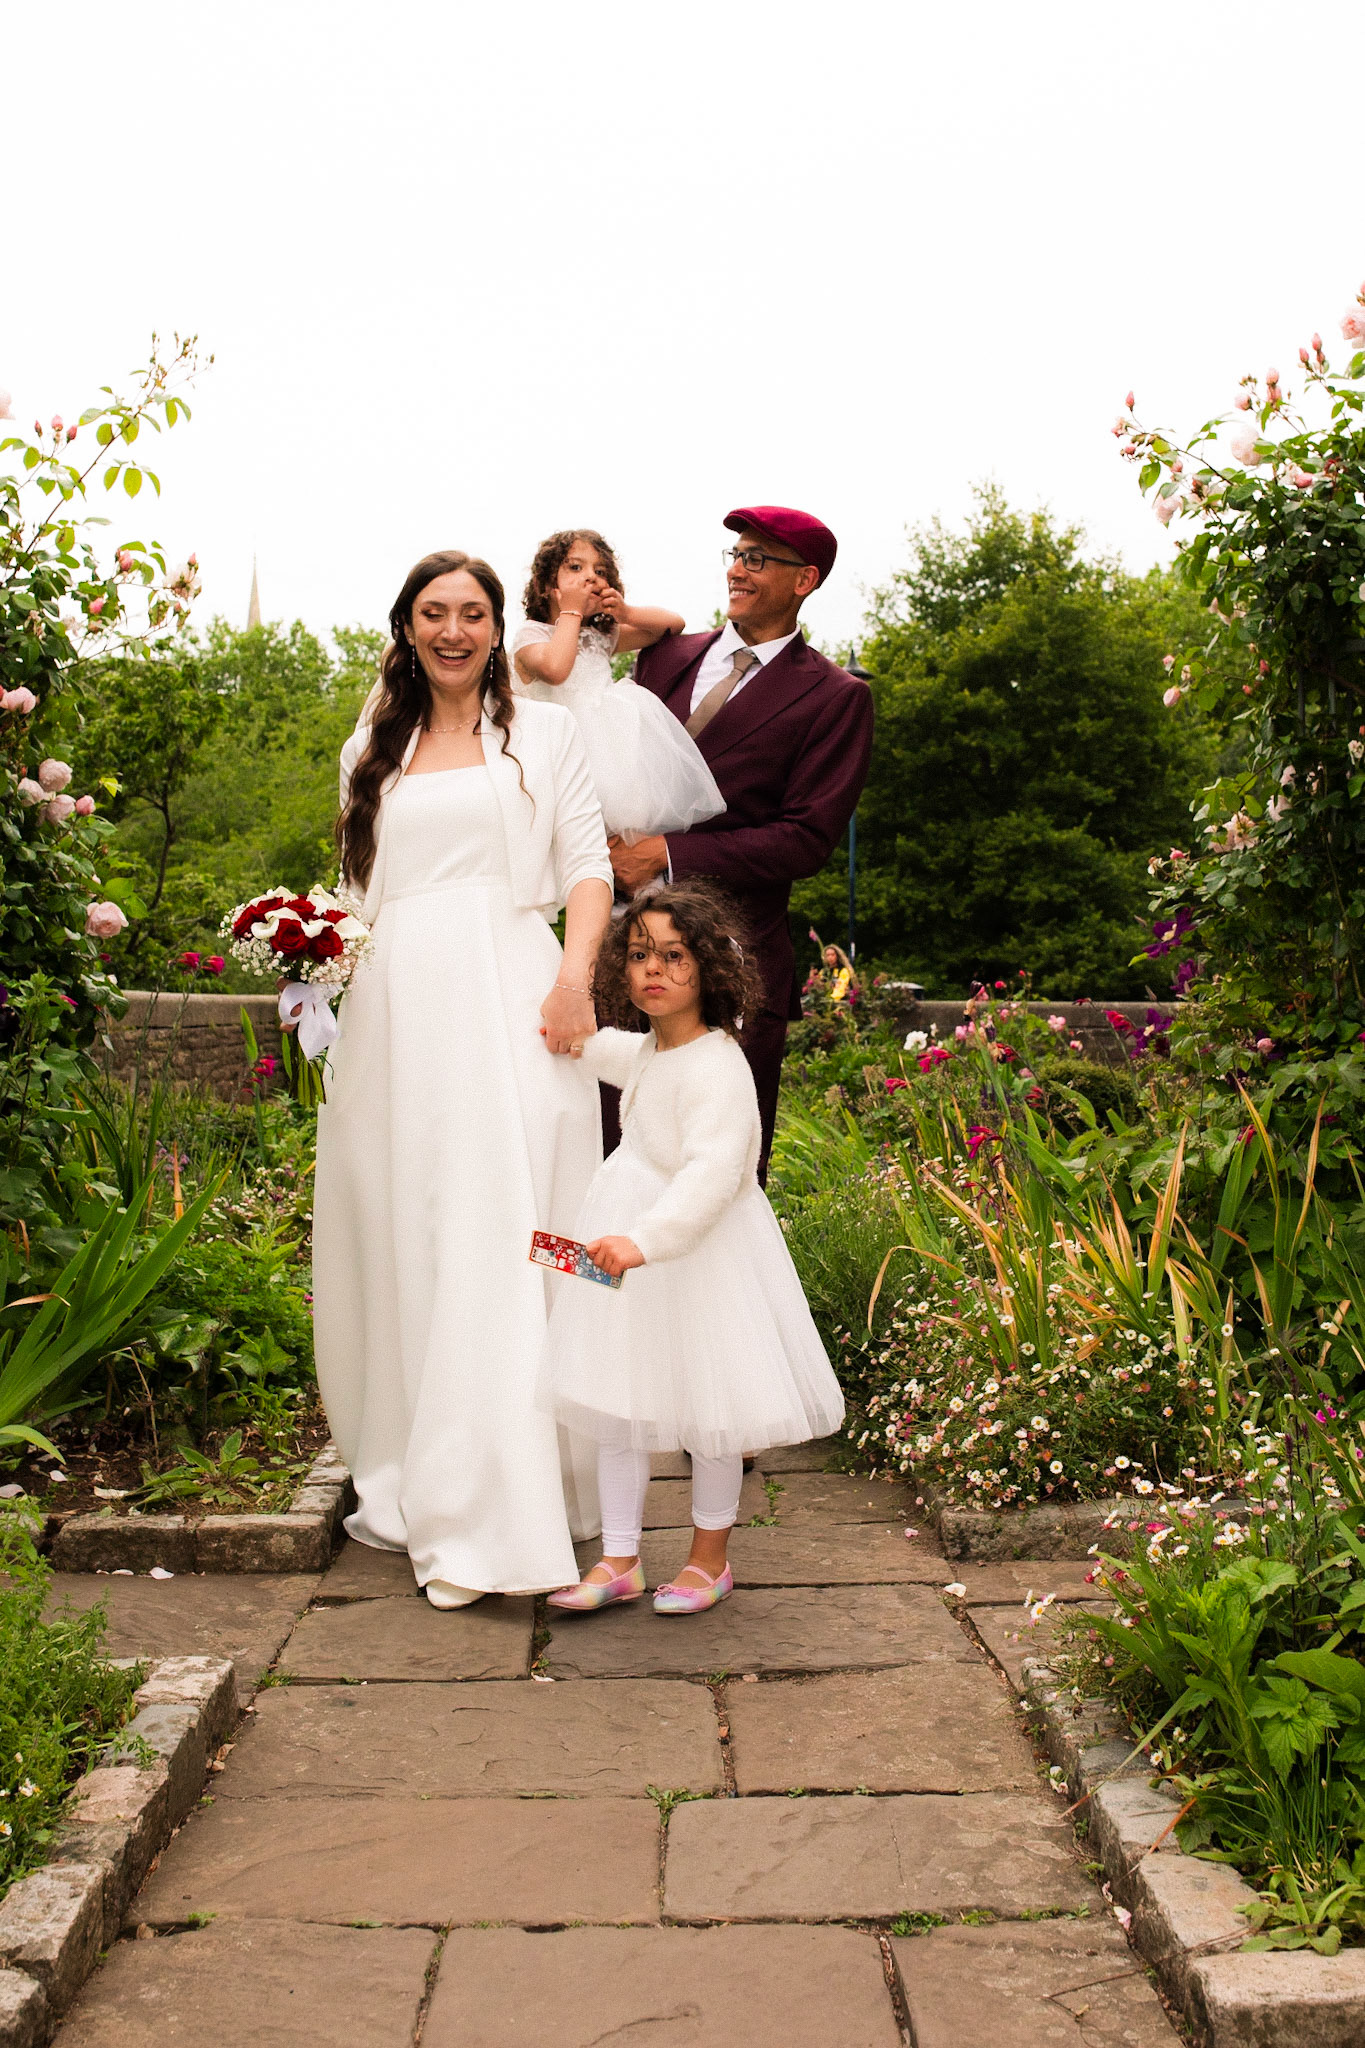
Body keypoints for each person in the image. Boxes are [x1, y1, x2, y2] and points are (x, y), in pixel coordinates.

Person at [311, 549, 614, 1610]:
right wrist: (310, 959)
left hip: (515, 996)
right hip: (396, 1016)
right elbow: (357, 894)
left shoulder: (549, 732)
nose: (453, 630)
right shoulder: (371, 746)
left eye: (472, 612)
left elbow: (589, 866)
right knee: (413, 1231)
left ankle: (529, 1486)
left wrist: (576, 978)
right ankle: (423, 1466)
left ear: (497, 627)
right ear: (406, 626)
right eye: (432, 613)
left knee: (524, 1226)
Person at [541, 882, 844, 1616]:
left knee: (710, 1410)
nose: (653, 970)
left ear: (709, 968)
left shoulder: (717, 1065)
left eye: (673, 957)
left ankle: (709, 1561)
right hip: (628, 1252)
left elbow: (712, 1177)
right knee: (614, 1399)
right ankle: (618, 1559)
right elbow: (602, 1051)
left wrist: (645, 1240)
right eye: (639, 954)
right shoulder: (650, 1051)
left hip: (694, 1257)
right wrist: (564, 1034)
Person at [608, 506, 874, 1181]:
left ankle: (717, 1292)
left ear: (804, 579)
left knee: (714, 1176)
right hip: (612, 953)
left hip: (733, 971)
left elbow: (805, 839)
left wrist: (666, 856)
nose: (737, 569)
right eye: (735, 553)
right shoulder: (662, 656)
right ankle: (583, 1290)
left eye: (759, 558)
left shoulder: (835, 697)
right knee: (598, 1161)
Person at [512, 529, 724, 845]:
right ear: (545, 586)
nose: (591, 577)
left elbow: (671, 625)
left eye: (600, 571)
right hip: (552, 756)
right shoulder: (532, 636)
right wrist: (571, 610)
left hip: (607, 762)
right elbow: (556, 669)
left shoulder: (601, 637)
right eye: (575, 567)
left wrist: (625, 613)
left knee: (607, 840)